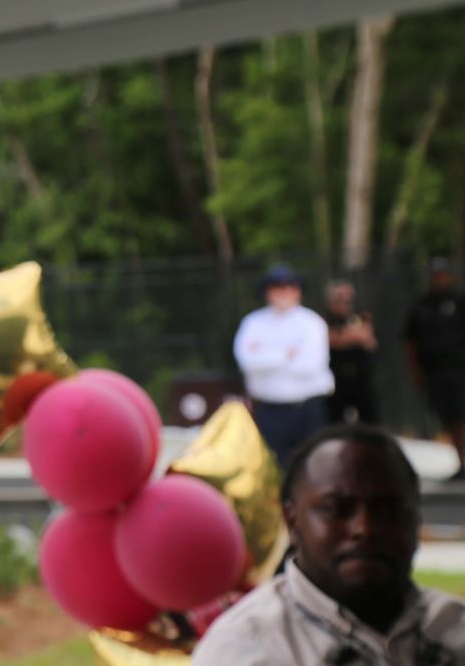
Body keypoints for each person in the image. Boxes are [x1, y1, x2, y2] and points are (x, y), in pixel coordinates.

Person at [194, 424, 465, 666]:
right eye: (336, 509)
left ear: (415, 521)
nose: (364, 529)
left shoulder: (454, 628)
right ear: (292, 522)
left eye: (387, 510)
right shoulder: (246, 648)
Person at [234, 263, 334, 466]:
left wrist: (266, 356)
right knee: (273, 466)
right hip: (270, 410)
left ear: (298, 291)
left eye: (289, 286)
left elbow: (309, 365)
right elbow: (247, 362)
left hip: (308, 410)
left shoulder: (311, 323)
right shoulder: (252, 323)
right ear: (267, 292)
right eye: (277, 287)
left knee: (314, 465)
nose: (284, 292)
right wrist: (286, 354)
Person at [405, 258, 465, 481]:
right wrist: (416, 372)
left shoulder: (459, 302)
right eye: (434, 275)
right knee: (451, 419)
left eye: (442, 274)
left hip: (460, 370)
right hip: (436, 372)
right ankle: (462, 463)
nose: (438, 279)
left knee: (461, 418)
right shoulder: (421, 306)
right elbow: (410, 343)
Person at [325, 279, 380, 425]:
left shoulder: (362, 317)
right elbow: (329, 340)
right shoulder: (324, 320)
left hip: (360, 378)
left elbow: (368, 340)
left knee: (370, 423)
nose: (345, 303)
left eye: (348, 300)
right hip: (335, 381)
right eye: (340, 299)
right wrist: (352, 336)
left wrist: (343, 337)